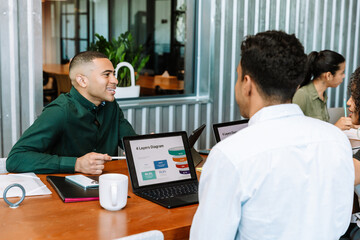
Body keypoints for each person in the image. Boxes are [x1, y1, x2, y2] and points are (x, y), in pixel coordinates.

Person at [190, 31, 354, 240]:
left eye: (238, 77)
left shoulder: (230, 155)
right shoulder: (336, 140)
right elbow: (339, 224)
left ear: (247, 84)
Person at [6, 51, 136, 174]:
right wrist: (76, 164)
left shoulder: (111, 106)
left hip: (106, 187)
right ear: (82, 81)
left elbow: (132, 144)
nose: (115, 81)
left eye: (113, 74)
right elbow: (16, 158)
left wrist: (149, 144)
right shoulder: (59, 111)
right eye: (107, 74)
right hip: (64, 190)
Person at [293, 50, 352, 130]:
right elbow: (294, 130)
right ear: (328, 75)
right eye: (341, 73)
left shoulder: (322, 95)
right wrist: (336, 128)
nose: (344, 76)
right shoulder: (302, 95)